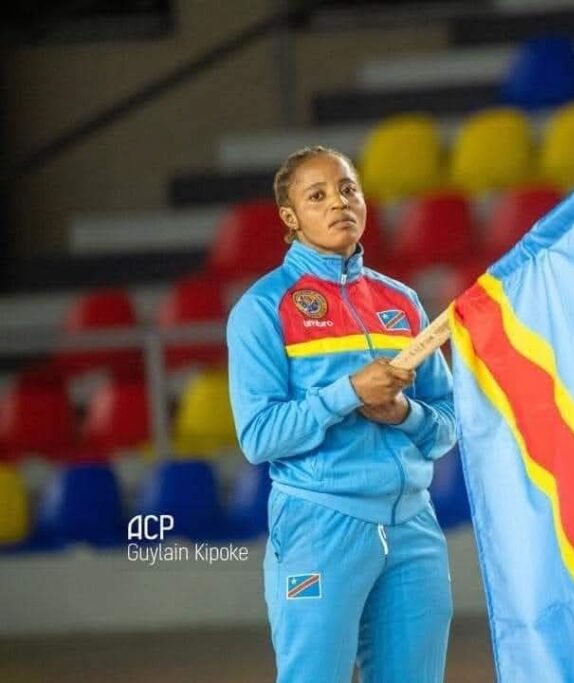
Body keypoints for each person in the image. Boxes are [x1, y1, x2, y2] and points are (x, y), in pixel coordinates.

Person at [226, 145, 457, 683]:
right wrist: (349, 392)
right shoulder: (264, 309)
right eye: (318, 195)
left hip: (413, 528)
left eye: (348, 189)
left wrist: (401, 414)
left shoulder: (401, 302)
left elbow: (447, 425)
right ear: (291, 217)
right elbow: (258, 437)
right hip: (318, 525)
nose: (339, 202)